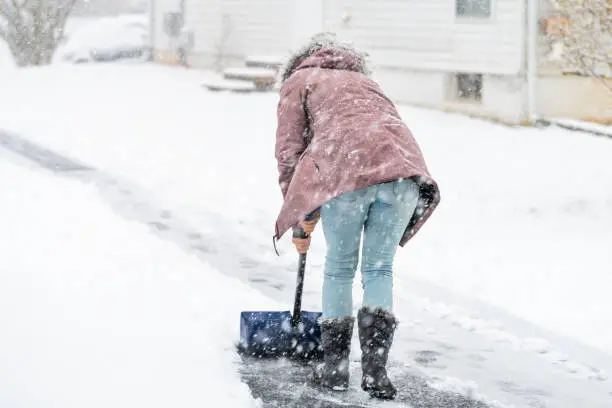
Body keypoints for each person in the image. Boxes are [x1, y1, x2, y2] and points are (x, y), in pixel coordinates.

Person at [273, 33, 440, 400]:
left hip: (348, 172)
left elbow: (289, 151)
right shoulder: (366, 82)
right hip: (403, 175)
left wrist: (299, 211)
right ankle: (376, 372)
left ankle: (333, 370)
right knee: (379, 269)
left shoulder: (299, 81)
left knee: (339, 268)